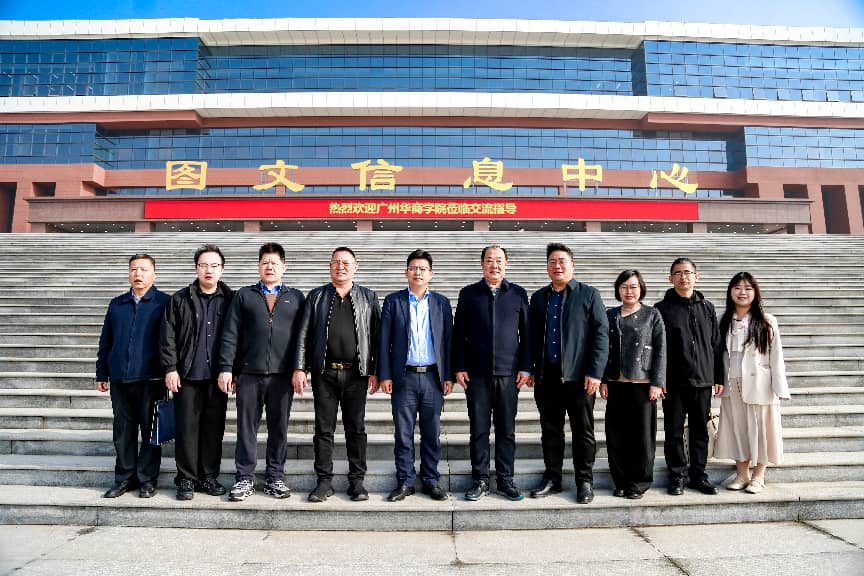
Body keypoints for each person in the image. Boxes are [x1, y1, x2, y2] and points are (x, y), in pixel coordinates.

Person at [218, 243, 305, 502]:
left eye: (274, 263)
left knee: (279, 428)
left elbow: (303, 337)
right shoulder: (244, 295)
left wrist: (300, 368)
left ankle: (275, 476)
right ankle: (244, 478)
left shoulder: (295, 297)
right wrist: (226, 368)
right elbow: (230, 334)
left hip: (282, 376)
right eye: (265, 262)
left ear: (284, 267)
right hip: (249, 375)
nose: (270, 267)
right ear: (258, 266)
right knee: (246, 428)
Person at [293, 247, 381, 503]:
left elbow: (377, 337)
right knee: (324, 429)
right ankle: (324, 481)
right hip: (325, 373)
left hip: (356, 374)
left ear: (355, 267)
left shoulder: (368, 297)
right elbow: (303, 334)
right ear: (330, 266)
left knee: (356, 429)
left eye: (346, 262)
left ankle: (357, 482)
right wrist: (300, 367)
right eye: (336, 262)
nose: (340, 266)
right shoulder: (317, 296)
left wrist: (375, 371)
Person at [529, 242, 608, 504]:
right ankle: (553, 478)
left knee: (583, 431)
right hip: (547, 377)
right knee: (550, 430)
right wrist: (532, 368)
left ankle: (584, 480)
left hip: (579, 378)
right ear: (547, 267)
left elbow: (601, 335)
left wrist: (595, 372)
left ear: (572, 265)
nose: (557, 266)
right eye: (552, 261)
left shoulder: (588, 294)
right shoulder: (539, 298)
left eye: (562, 261)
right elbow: (531, 337)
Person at [452, 245, 531, 501]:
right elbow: (458, 333)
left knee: (506, 429)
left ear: (506, 264)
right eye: (489, 260)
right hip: (476, 375)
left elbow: (527, 335)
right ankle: (481, 479)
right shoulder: (468, 294)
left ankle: (506, 480)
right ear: (482, 264)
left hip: (509, 375)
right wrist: (459, 366)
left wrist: (526, 367)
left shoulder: (518, 293)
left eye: (499, 260)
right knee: (479, 429)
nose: (494, 265)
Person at [377, 249, 453, 502]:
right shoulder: (393, 301)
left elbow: (448, 341)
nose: (417, 272)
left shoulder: (441, 303)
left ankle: (431, 480)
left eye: (422, 268)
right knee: (403, 433)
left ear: (431, 274)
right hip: (404, 377)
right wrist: (384, 374)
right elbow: (384, 340)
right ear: (406, 272)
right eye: (413, 268)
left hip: (433, 377)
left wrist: (448, 375)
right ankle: (405, 481)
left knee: (432, 432)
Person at [160, 244, 234, 500]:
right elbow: (167, 337)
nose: (208, 270)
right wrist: (171, 368)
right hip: (187, 376)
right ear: (196, 269)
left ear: (222, 269)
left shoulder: (232, 300)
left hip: (218, 378)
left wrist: (232, 369)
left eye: (214, 265)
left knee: (214, 429)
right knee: (186, 430)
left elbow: (238, 337)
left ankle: (208, 476)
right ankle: (186, 479)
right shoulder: (179, 299)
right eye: (203, 265)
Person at [96, 253, 170, 499]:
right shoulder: (117, 304)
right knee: (123, 432)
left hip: (152, 379)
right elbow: (106, 340)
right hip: (120, 378)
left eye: (144, 269)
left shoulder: (165, 303)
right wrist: (101, 372)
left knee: (151, 432)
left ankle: (148, 479)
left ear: (154, 274)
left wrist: (170, 370)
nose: (138, 274)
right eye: (134, 269)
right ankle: (124, 478)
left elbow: (171, 342)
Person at [715, 272, 790, 494]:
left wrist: (780, 387)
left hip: (760, 384)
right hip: (732, 383)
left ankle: (758, 476)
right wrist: (716, 380)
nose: (742, 292)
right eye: (737, 288)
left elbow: (776, 356)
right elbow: (717, 355)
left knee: (761, 430)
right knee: (737, 428)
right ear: (730, 291)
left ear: (755, 292)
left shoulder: (767, 321)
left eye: (748, 288)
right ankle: (742, 474)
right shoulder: (722, 320)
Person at [655, 257, 725, 496]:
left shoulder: (707, 307)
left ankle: (699, 475)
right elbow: (658, 347)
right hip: (673, 382)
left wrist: (718, 377)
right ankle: (677, 476)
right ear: (670, 278)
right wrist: (659, 379)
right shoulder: (661, 309)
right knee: (674, 431)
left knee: (700, 431)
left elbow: (716, 345)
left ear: (697, 276)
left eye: (687, 272)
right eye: (678, 273)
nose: (683, 277)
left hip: (703, 380)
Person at [600, 270, 666, 499]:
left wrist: (657, 382)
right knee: (616, 435)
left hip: (642, 383)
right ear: (618, 290)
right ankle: (620, 481)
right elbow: (602, 349)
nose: (629, 291)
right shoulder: (610, 315)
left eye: (634, 286)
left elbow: (661, 350)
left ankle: (639, 483)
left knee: (642, 437)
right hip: (616, 383)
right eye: (624, 286)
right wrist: (603, 380)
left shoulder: (652, 314)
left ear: (641, 289)